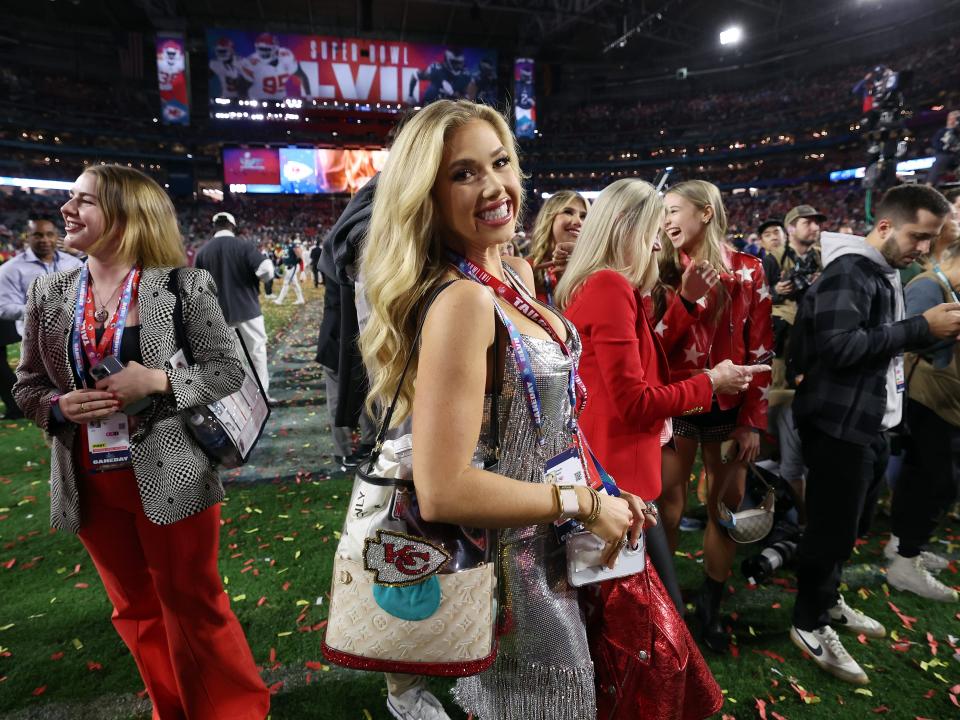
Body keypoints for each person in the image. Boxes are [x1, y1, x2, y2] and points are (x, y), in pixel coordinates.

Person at [360, 99, 646, 720]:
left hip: (561, 539)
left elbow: (550, 425)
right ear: (426, 196)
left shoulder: (513, 271)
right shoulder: (462, 301)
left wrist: (604, 492)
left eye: (500, 162)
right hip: (515, 568)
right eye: (463, 174)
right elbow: (442, 491)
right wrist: (586, 504)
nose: (494, 187)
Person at [13, 165, 269, 718]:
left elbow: (228, 371)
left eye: (84, 201)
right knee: (133, 609)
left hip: (171, 470)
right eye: (70, 199)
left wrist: (160, 380)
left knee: (192, 602)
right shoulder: (49, 290)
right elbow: (27, 383)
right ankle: (170, 708)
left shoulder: (181, 284)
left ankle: (233, 710)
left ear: (127, 216)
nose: (67, 210)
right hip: (87, 471)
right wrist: (58, 406)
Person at [558, 178, 767, 614]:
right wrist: (711, 383)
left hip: (613, 478)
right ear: (624, 227)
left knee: (637, 622)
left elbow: (646, 380)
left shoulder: (605, 286)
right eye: (654, 230)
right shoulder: (610, 287)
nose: (658, 246)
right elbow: (637, 402)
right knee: (650, 626)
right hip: (619, 483)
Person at [788, 184, 960, 684]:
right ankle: (809, 622)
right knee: (830, 531)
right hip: (839, 425)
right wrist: (921, 328)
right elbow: (840, 347)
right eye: (918, 236)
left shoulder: (879, 270)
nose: (923, 249)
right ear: (884, 226)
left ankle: (829, 601)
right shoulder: (851, 269)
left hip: (865, 422)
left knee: (850, 528)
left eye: (930, 240)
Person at [653, 179, 772, 654]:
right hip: (678, 402)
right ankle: (662, 601)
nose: (665, 220)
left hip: (729, 412)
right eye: (663, 212)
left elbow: (762, 347)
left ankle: (710, 612)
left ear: (705, 213)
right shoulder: (657, 269)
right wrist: (682, 297)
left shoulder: (749, 270)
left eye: (674, 210)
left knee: (723, 511)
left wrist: (752, 421)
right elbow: (654, 347)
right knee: (666, 506)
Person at [885, 235, 960, 602]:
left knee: (923, 475)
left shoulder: (941, 286)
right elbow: (910, 338)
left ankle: (902, 546)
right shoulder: (928, 286)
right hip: (924, 397)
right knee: (936, 479)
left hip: (939, 398)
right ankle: (905, 558)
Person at [0, 217, 83, 418]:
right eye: (38, 234)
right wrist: (40, 311)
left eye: (49, 234)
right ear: (27, 237)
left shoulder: (73, 263)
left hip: (77, 332)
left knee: (80, 380)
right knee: (48, 387)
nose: (44, 239)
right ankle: (56, 422)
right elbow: (3, 307)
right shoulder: (11, 268)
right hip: (38, 338)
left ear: (57, 236)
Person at [194, 211, 275, 398]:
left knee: (229, 360)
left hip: (216, 314)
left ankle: (239, 401)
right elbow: (266, 269)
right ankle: (261, 396)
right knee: (257, 353)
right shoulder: (244, 246)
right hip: (248, 310)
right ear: (232, 225)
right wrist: (261, 280)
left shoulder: (203, 252)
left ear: (214, 227)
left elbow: (196, 287)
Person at [526, 190, 588, 304]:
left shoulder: (591, 271)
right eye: (568, 212)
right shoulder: (526, 268)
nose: (578, 221)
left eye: (584, 216)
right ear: (549, 219)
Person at [927, 109, 960, 187]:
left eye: (955, 119)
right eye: (951, 118)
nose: (952, 121)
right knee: (940, 160)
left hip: (957, 156)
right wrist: (945, 148)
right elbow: (935, 144)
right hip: (945, 155)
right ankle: (928, 185)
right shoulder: (942, 131)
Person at [274, 240, 305, 305]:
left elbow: (299, 256)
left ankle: (279, 300)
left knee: (286, 283)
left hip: (291, 267)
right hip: (287, 267)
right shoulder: (286, 247)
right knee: (295, 284)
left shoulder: (292, 246)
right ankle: (300, 299)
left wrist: (302, 270)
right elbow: (283, 257)